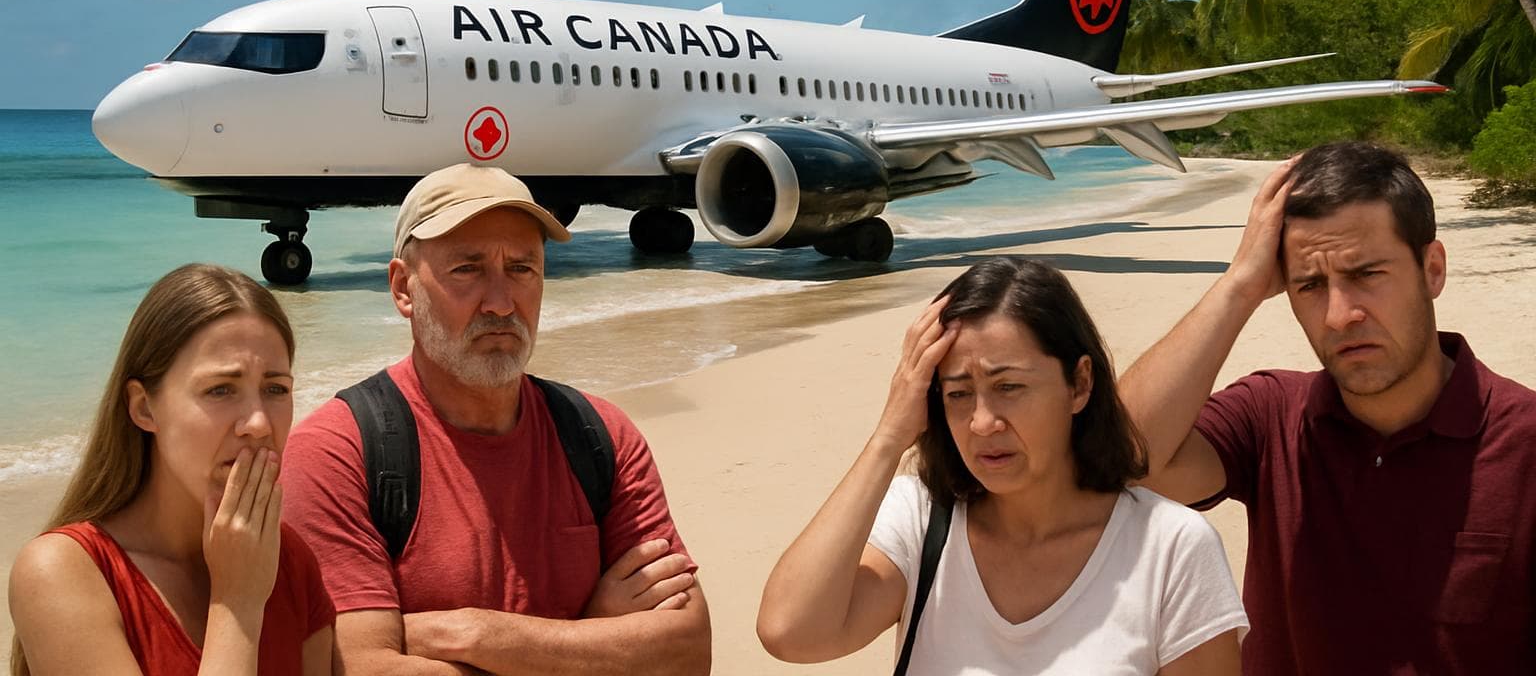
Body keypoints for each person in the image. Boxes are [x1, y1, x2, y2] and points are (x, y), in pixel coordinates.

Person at [1119, 140, 1536, 673]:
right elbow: (1124, 458)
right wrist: (1238, 286)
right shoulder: (1271, 417)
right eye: (1311, 285)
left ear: (1432, 270)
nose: (1340, 315)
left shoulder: (1521, 443)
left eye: (1366, 275)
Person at [281, 163, 710, 674]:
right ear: (402, 288)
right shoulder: (339, 452)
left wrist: (469, 634)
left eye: (522, 268)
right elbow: (361, 667)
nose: (502, 303)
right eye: (467, 269)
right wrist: (593, 633)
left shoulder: (600, 435)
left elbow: (686, 651)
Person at [757, 256, 1247, 675]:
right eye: (958, 394)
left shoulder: (1170, 546)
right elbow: (792, 632)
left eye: (1008, 387)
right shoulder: (923, 520)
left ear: (1078, 385)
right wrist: (890, 435)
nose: (982, 423)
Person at [8, 263, 334, 676]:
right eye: (220, 389)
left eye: (275, 389)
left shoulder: (288, 560)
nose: (259, 424)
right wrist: (236, 604)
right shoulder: (61, 573)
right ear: (144, 408)